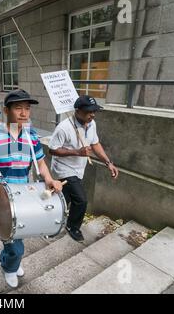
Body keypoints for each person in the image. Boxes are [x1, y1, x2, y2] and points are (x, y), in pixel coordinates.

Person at [0, 89, 63, 288]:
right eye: (18, 108)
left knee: (17, 238)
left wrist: (49, 179)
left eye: (27, 109)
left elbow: (41, 163)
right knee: (16, 246)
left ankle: (10, 259)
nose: (24, 113)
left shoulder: (31, 135)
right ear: (6, 110)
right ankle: (9, 264)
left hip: (24, 200)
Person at [49, 95, 119, 242]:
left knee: (63, 198)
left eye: (94, 111)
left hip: (79, 169)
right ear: (78, 110)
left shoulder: (92, 124)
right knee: (81, 200)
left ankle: (51, 223)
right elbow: (53, 150)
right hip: (64, 169)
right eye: (88, 111)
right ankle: (72, 226)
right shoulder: (64, 127)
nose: (92, 114)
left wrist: (108, 163)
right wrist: (77, 152)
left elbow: (95, 144)